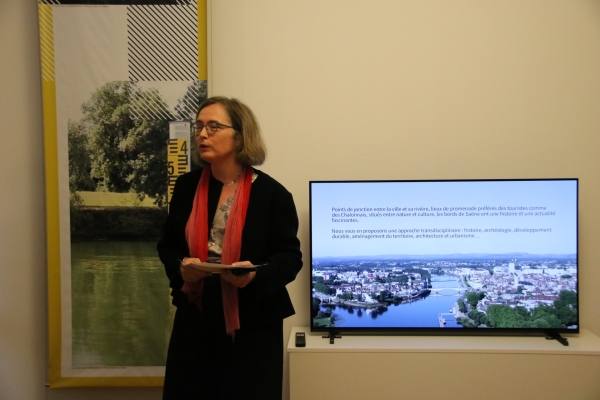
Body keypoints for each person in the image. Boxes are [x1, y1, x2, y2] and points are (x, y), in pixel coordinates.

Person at [157, 96, 302, 400]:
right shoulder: (186, 188)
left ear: (239, 136)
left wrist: (253, 277)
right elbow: (168, 245)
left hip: (252, 325)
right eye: (198, 127)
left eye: (213, 126)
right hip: (195, 318)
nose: (201, 134)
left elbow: (289, 258)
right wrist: (182, 266)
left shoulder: (273, 195)